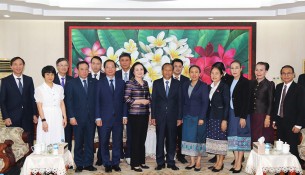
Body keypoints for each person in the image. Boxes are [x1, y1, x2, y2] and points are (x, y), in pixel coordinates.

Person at [96, 60, 127, 173]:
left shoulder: (121, 82)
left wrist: (124, 115)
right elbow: (97, 101)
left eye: (112, 67)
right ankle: (106, 163)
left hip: (118, 118)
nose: (110, 69)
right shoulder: (99, 83)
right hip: (104, 119)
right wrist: (98, 117)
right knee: (103, 142)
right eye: (107, 67)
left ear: (115, 68)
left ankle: (115, 163)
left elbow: (124, 101)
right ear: (104, 69)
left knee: (117, 141)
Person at [65, 61, 97, 173]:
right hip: (77, 118)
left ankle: (88, 163)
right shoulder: (71, 83)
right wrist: (71, 117)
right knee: (78, 142)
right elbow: (68, 102)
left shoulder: (94, 82)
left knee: (89, 141)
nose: (84, 71)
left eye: (86, 69)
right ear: (77, 70)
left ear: (89, 70)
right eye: (81, 69)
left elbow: (97, 101)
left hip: (91, 118)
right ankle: (79, 164)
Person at [0, 57, 37, 146]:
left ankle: (28, 160)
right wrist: (6, 117)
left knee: (29, 141)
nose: (18, 67)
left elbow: (32, 98)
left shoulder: (29, 80)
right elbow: (2, 100)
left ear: (23, 66)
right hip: (12, 118)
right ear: (11, 66)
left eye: (20, 64)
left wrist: (34, 114)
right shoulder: (5, 81)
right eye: (15, 64)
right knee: (13, 143)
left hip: (27, 116)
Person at [151, 63, 182, 171]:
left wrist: (179, 117)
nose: (168, 72)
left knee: (172, 140)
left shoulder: (177, 84)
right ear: (162, 70)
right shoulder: (157, 83)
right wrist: (153, 116)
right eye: (165, 70)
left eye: (170, 70)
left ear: (172, 71)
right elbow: (153, 100)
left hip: (173, 117)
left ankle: (170, 162)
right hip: (159, 117)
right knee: (160, 140)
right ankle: (160, 162)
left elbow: (180, 102)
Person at [273, 65, 305, 164]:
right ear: (281, 75)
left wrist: (299, 125)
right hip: (280, 123)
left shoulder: (299, 89)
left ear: (293, 75)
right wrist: (274, 120)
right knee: (280, 148)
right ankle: (281, 170)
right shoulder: (278, 87)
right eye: (283, 73)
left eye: (289, 73)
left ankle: (294, 171)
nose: (286, 75)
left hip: (293, 125)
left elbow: (302, 108)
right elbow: (276, 105)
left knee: (292, 150)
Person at [182, 65, 209, 171]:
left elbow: (205, 103)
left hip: (198, 117)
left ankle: (198, 161)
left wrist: (202, 117)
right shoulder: (185, 85)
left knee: (199, 139)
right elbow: (183, 101)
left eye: (196, 72)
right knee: (189, 139)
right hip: (187, 116)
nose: (194, 74)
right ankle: (192, 161)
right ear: (189, 73)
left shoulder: (203, 86)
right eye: (192, 72)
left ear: (199, 73)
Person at [124, 62, 151, 172]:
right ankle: (134, 164)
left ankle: (141, 161)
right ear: (133, 72)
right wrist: (140, 101)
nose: (140, 71)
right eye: (137, 69)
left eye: (141, 69)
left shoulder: (145, 83)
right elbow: (126, 99)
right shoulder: (130, 83)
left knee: (142, 139)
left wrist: (150, 114)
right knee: (135, 139)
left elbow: (149, 99)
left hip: (145, 114)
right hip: (134, 115)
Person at [227, 60, 251, 173]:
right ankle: (236, 161)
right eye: (232, 68)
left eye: (236, 67)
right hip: (231, 113)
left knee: (241, 137)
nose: (234, 70)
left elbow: (247, 101)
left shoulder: (246, 82)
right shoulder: (230, 80)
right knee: (233, 138)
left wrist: (243, 117)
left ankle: (239, 163)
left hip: (241, 114)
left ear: (241, 69)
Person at [35, 65, 67, 145]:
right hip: (46, 115)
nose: (50, 76)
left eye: (52, 74)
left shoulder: (59, 88)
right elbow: (39, 106)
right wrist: (43, 120)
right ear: (43, 76)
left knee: (58, 137)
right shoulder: (39, 89)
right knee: (46, 137)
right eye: (47, 74)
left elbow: (62, 103)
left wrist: (64, 117)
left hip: (57, 115)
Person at [208, 62, 233, 164]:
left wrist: (224, 120)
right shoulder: (210, 87)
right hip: (211, 117)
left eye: (216, 73)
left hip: (220, 118)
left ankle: (220, 163)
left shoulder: (224, 86)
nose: (214, 75)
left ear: (221, 75)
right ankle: (217, 161)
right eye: (212, 73)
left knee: (221, 141)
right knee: (215, 141)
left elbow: (226, 104)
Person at [249, 62, 275, 143]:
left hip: (263, 116)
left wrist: (268, 117)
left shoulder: (269, 84)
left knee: (264, 139)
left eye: (261, 70)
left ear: (266, 71)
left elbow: (271, 102)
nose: (258, 72)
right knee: (254, 138)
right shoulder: (251, 83)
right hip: (252, 115)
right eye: (256, 70)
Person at [115, 52, 134, 165]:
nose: (125, 62)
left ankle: (129, 154)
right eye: (122, 60)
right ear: (119, 62)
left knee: (130, 132)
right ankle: (120, 153)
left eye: (127, 60)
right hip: (117, 108)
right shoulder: (115, 74)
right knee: (118, 132)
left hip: (132, 107)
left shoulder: (136, 73)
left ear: (130, 61)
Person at [53, 58, 73, 151]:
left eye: (66, 65)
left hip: (69, 113)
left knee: (68, 137)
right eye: (61, 65)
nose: (63, 67)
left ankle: (68, 159)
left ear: (68, 67)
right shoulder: (51, 79)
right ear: (57, 66)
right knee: (56, 137)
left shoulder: (72, 80)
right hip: (55, 113)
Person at [172, 59, 189, 164]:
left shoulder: (187, 80)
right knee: (170, 135)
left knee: (182, 135)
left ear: (182, 68)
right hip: (169, 113)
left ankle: (181, 155)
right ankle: (170, 153)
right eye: (175, 66)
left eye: (180, 66)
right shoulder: (168, 79)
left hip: (182, 113)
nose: (178, 68)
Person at [88, 56, 104, 166]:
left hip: (103, 113)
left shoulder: (105, 77)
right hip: (88, 113)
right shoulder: (85, 76)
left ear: (101, 65)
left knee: (103, 137)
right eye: (93, 63)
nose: (95, 65)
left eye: (98, 63)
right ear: (90, 64)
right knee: (89, 137)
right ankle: (88, 159)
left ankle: (101, 158)